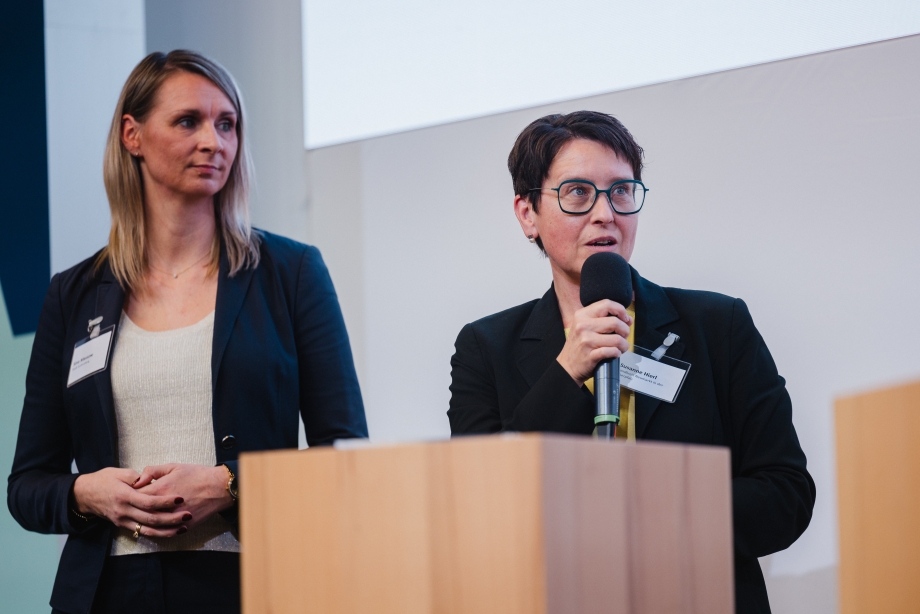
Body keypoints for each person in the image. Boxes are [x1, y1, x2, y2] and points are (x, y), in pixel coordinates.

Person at [7, 50, 367, 614]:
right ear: (133, 135)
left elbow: (344, 453)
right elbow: (27, 486)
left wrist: (230, 486)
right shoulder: (73, 293)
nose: (214, 141)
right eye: (188, 121)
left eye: (227, 124)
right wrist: (87, 492)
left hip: (251, 584)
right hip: (105, 594)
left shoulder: (291, 274)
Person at [448, 111, 814, 613]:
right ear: (527, 213)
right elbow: (480, 505)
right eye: (577, 193)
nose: (605, 214)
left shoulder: (718, 326)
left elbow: (786, 493)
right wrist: (565, 372)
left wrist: (656, 515)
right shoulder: (485, 348)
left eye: (621, 192)